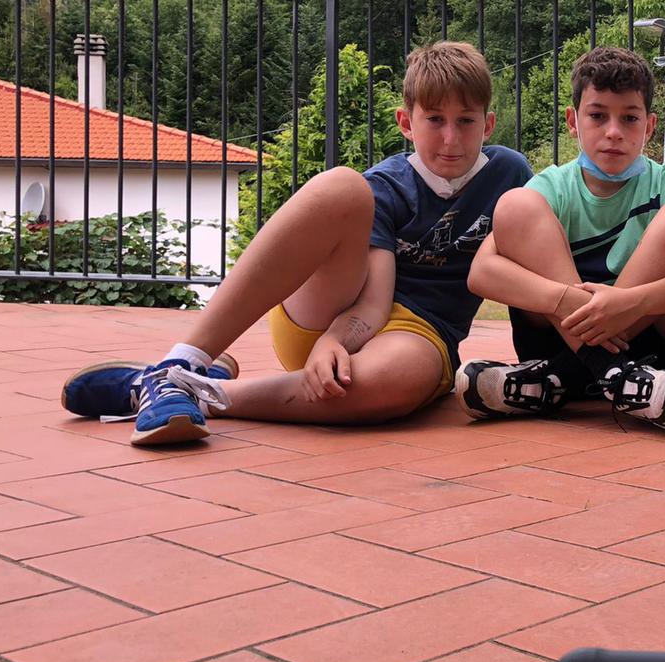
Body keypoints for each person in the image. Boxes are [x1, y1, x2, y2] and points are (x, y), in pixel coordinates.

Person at [61, 40, 531, 445]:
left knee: (398, 381)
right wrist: (332, 340)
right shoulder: (388, 186)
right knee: (343, 186)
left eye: (465, 121)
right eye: (434, 120)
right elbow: (373, 303)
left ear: (488, 125)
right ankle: (182, 363)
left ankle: (195, 392)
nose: (450, 138)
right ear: (406, 123)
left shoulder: (509, 174)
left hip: (419, 337)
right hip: (338, 312)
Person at [458, 45, 665, 432]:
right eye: (598, 116)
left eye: (629, 118)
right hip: (560, 338)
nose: (613, 132)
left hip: (652, 347)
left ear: (649, 126)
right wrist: (570, 302)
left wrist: (632, 302)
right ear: (573, 121)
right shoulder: (553, 187)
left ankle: (554, 380)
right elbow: (481, 273)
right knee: (515, 206)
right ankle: (616, 375)